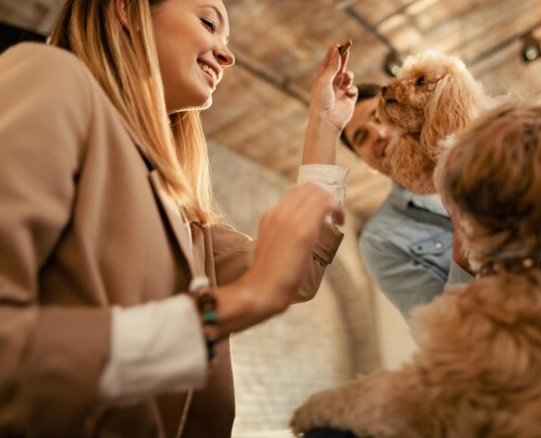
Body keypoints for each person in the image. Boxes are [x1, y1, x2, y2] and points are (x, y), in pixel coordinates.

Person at [0, 0, 358, 436]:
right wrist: (240, 302)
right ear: (127, 11)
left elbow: (294, 272)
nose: (228, 55)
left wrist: (324, 123)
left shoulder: (184, 222)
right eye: (209, 22)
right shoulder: (49, 78)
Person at [339, 83, 473, 321]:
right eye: (362, 137)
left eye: (379, 117)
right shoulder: (379, 240)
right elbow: (440, 329)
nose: (378, 134)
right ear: (366, 162)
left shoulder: (477, 157)